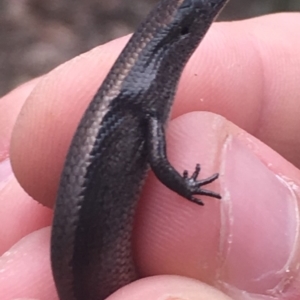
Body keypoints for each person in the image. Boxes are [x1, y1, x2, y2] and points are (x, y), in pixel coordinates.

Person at [0, 12, 299, 300]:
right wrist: (187, 186)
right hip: (92, 279)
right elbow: (158, 160)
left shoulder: (140, 98)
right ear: (184, 32)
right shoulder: (143, 103)